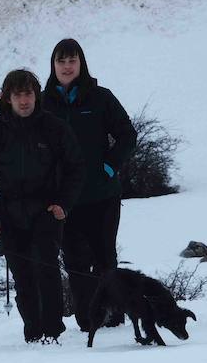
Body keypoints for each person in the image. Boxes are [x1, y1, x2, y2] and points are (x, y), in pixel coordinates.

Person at [0, 69, 84, 343]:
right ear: (8, 98)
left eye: (29, 94)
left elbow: (76, 168)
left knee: (46, 270)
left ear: (36, 96)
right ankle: (32, 333)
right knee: (22, 276)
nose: (24, 101)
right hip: (8, 212)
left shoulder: (54, 128)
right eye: (18, 95)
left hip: (46, 211)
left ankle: (53, 332)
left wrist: (63, 205)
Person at [42, 39, 137, 331]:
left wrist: (108, 167)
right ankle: (88, 319)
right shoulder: (43, 102)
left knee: (105, 256)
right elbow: (16, 132)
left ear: (81, 63)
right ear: (53, 65)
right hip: (64, 200)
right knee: (74, 262)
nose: (67, 67)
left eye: (72, 61)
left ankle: (113, 315)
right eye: (61, 61)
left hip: (102, 196)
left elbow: (127, 135)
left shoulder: (100, 98)